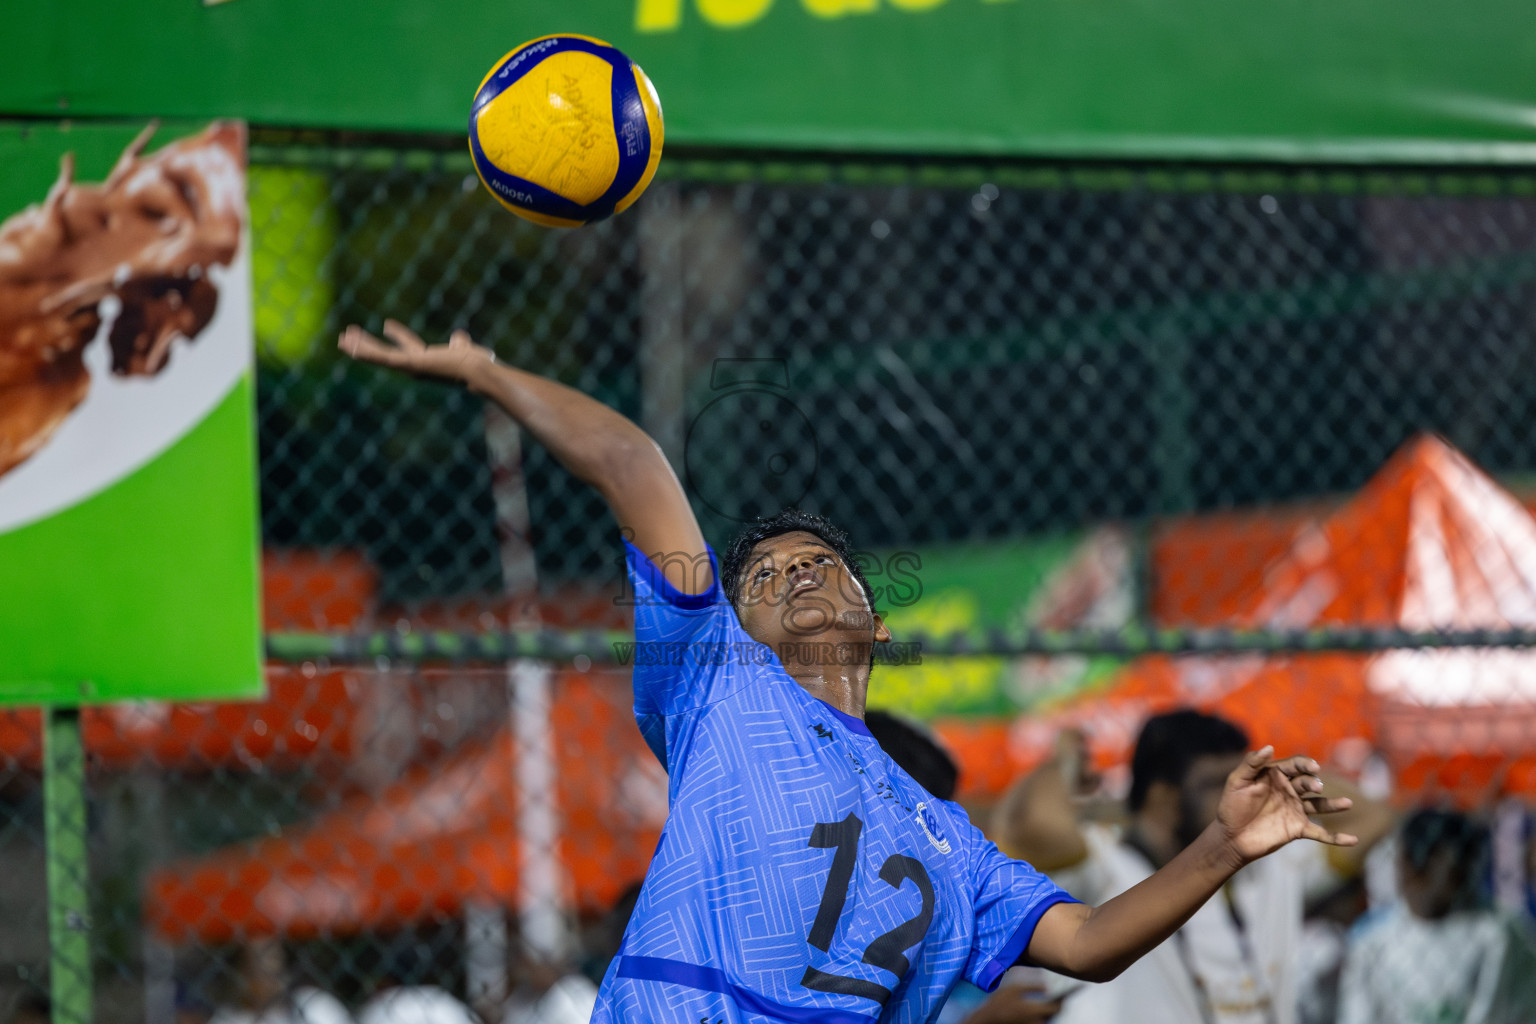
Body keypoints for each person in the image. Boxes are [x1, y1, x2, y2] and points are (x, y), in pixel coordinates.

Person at [340, 321, 1360, 1024]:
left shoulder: (944, 835)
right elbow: (636, 465)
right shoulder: (716, 687)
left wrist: (1225, 843)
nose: (797, 571)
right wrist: (490, 375)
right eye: (767, 573)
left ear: (873, 625)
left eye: (821, 563)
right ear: (730, 623)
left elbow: (1090, 938)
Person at [992, 711, 1394, 1024]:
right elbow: (1031, 824)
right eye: (1214, 783)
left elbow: (1371, 819)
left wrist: (1283, 770)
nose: (1240, 792)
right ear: (1163, 797)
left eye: (1239, 776)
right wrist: (1061, 763)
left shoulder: (1270, 865)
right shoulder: (1106, 864)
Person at [1338, 809, 1536, 1024]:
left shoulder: (1495, 931)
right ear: (1409, 867)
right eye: (1451, 867)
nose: (1464, 878)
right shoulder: (1373, 941)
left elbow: (1493, 1014)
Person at [208, 939, 351, 1024]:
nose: (266, 970)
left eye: (273, 958)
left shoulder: (315, 1004)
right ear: (240, 971)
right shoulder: (227, 1019)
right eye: (254, 962)